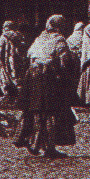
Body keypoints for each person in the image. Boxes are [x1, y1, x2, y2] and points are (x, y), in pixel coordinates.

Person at [14, 15, 78, 158]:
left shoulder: (39, 38)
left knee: (34, 110)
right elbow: (65, 61)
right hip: (47, 77)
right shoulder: (59, 40)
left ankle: (33, 141)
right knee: (50, 111)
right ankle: (48, 147)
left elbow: (29, 55)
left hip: (32, 76)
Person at [0, 20, 26, 99]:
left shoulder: (4, 36)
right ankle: (20, 94)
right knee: (17, 75)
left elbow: (0, 48)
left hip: (7, 59)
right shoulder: (19, 35)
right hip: (18, 59)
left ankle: (8, 94)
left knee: (5, 76)